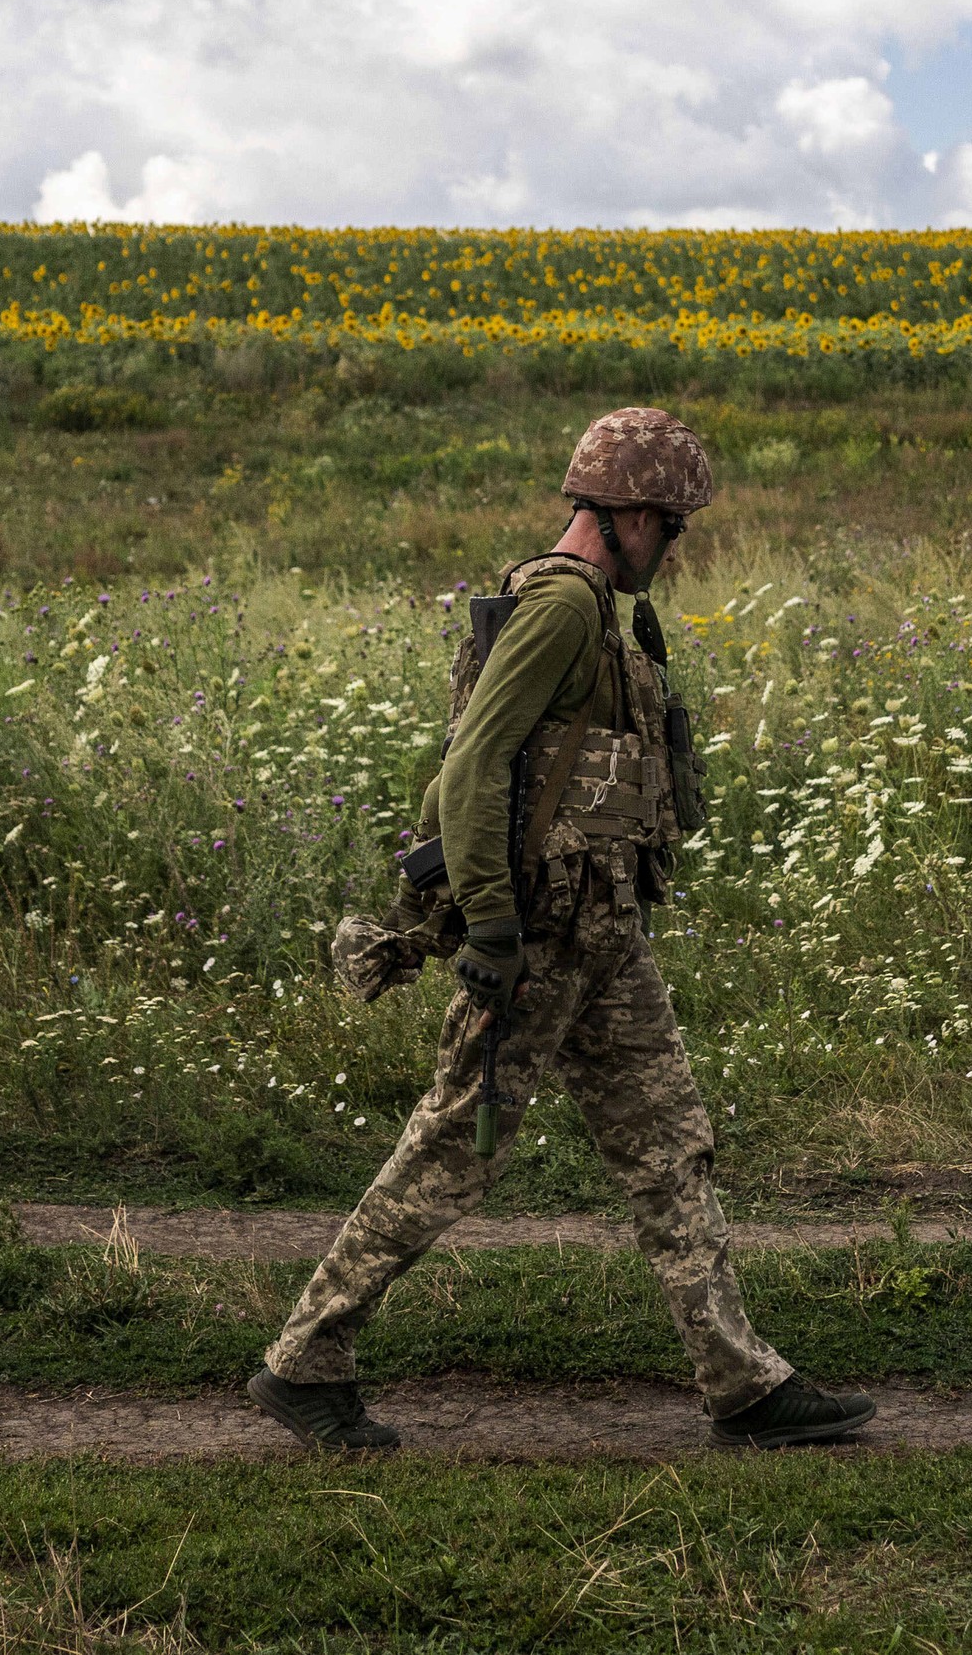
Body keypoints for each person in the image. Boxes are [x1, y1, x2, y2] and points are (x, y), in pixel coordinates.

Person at [248, 406, 878, 1453]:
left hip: (603, 934)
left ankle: (743, 1382)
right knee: (453, 1149)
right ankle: (304, 1360)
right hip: (540, 938)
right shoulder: (563, 610)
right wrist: (490, 926)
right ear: (630, 513)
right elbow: (473, 767)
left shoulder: (597, 613)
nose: (673, 549)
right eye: (671, 528)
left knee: (671, 1146)